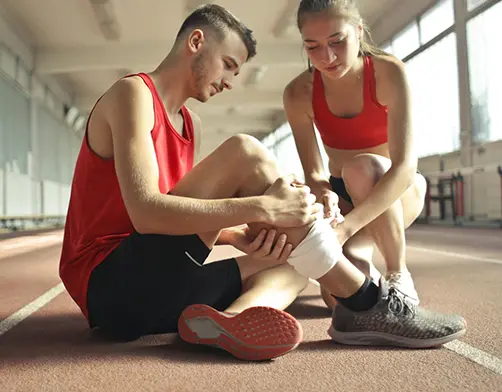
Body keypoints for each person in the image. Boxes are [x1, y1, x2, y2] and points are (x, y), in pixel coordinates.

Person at [59, 4, 466, 363]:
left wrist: (239, 236)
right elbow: (147, 214)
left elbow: (177, 219)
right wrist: (261, 208)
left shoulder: (190, 124)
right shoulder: (133, 94)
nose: (231, 82)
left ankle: (233, 320)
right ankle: (366, 301)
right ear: (196, 42)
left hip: (154, 298)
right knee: (245, 151)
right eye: (229, 65)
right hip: (110, 287)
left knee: (294, 258)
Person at [283, 0, 426, 309]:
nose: (327, 57)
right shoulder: (299, 93)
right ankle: (362, 261)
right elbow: (316, 175)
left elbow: (403, 168)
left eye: (337, 41)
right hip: (344, 198)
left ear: (359, 31)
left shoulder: (389, 72)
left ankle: (398, 274)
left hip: (398, 191)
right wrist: (325, 196)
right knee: (340, 300)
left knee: (361, 168)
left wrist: (345, 230)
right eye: (313, 46)